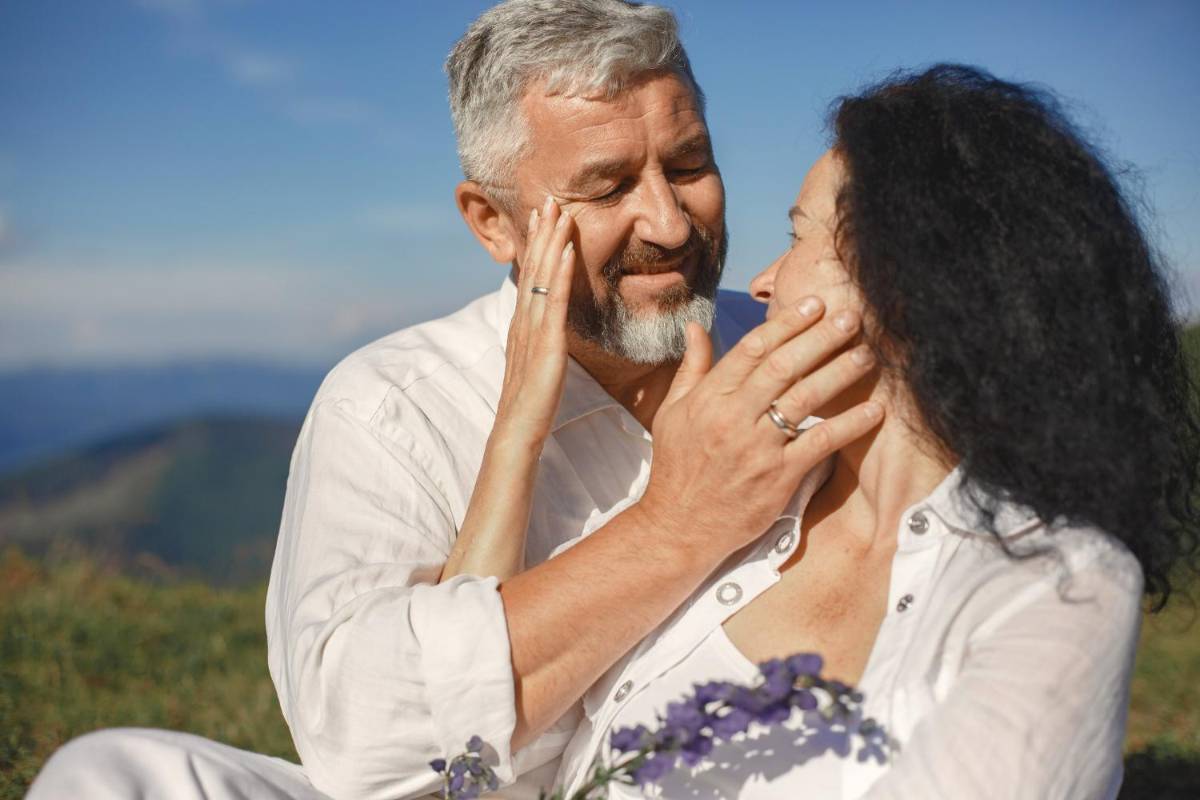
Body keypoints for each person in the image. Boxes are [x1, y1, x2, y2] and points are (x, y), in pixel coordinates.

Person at [27, 2, 883, 798]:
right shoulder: (392, 405)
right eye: (607, 187)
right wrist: (669, 521)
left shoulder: (788, 344)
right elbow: (364, 744)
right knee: (104, 775)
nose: (667, 222)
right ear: (493, 222)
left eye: (690, 165)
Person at [535, 65, 1193, 798]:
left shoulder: (1056, 583)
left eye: (797, 237)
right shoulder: (740, 494)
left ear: (906, 284)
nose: (761, 282)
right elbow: (477, 724)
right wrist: (521, 433)